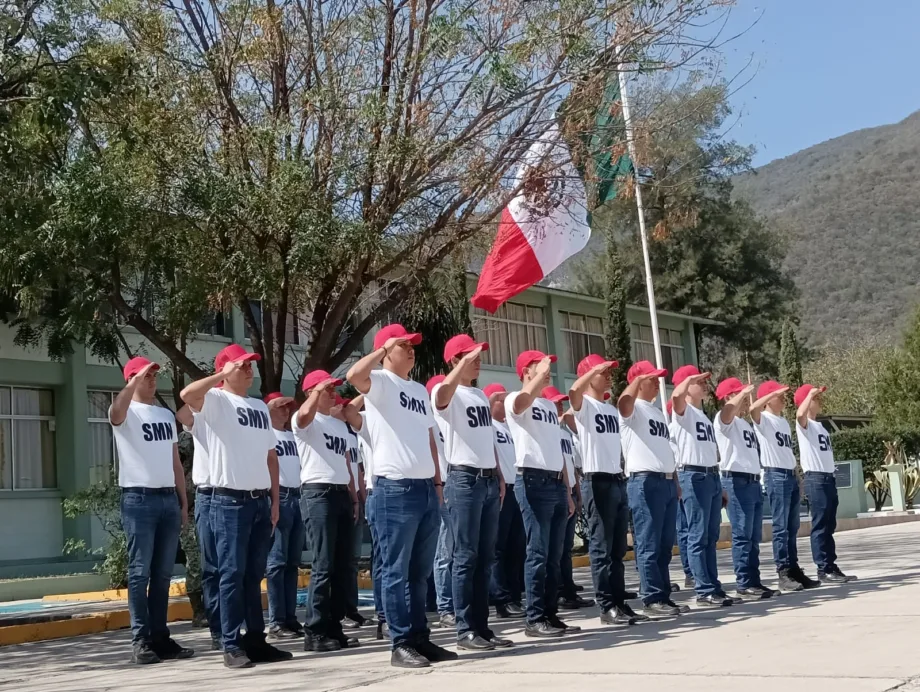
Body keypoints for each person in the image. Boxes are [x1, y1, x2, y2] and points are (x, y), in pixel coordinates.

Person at [346, 324, 455, 669]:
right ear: (386, 350)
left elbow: (427, 441)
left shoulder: (419, 391)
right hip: (394, 490)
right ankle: (400, 642)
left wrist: (437, 485)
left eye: (412, 345)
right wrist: (381, 351)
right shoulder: (379, 383)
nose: (411, 350)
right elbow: (353, 375)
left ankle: (421, 637)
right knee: (395, 571)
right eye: (403, 345)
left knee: (418, 574)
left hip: (424, 489)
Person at [179, 344, 291, 668]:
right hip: (227, 500)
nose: (248, 370)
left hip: (258, 501)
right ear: (227, 370)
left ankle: (256, 640)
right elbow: (187, 394)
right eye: (242, 366)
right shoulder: (214, 400)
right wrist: (219, 376)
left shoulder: (257, 406)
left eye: (250, 365)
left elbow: (271, 455)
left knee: (253, 575)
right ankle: (230, 643)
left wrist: (274, 498)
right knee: (230, 572)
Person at [110, 356, 194, 665]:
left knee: (161, 575)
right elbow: (116, 413)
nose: (152, 379)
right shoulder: (124, 411)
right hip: (139, 500)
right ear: (132, 379)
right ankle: (140, 639)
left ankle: (160, 636)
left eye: (155, 375)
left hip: (166, 500)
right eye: (147, 375)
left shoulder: (163, 414)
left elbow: (174, 460)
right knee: (139, 572)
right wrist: (133, 380)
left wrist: (182, 499)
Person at [433, 334, 511, 650]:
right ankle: (465, 629)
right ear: (454, 360)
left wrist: (500, 474)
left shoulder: (479, 394)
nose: (478, 360)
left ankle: (482, 626)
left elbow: (488, 438)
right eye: (470, 356)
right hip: (463, 481)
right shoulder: (445, 391)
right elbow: (440, 399)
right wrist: (459, 367)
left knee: (484, 557)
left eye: (479, 355)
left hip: (488, 480)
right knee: (464, 556)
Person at [568, 354, 645, 626]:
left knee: (617, 548)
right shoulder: (584, 405)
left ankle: (619, 600)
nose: (608, 375)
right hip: (596, 480)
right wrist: (591, 371)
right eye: (603, 372)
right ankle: (606, 605)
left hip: (616, 479)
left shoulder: (609, 409)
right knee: (601, 547)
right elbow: (574, 391)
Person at [505, 350, 578, 638]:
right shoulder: (516, 398)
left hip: (554, 483)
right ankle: (534, 617)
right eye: (540, 366)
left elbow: (556, 449)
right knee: (536, 552)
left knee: (555, 554)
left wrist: (567, 489)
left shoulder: (548, 406)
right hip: (531, 480)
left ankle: (550, 612)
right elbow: (523, 402)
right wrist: (537, 378)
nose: (547, 370)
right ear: (526, 371)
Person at [293, 370, 360, 652]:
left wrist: (354, 496)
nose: (332, 393)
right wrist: (315, 391)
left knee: (342, 565)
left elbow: (345, 462)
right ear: (311, 393)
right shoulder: (306, 420)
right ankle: (315, 631)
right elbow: (302, 417)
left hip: (340, 492)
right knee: (323, 565)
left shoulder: (336, 425)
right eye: (326, 389)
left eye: (333, 388)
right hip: (317, 493)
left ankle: (334, 626)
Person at [617, 360, 684, 617]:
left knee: (666, 543)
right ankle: (652, 597)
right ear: (638, 382)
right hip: (644, 481)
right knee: (649, 542)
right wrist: (634, 381)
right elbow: (623, 404)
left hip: (666, 481)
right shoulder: (633, 409)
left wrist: (675, 481)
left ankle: (663, 594)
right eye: (652, 378)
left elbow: (665, 449)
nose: (658, 382)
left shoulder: (657, 412)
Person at [670, 366, 735, 608]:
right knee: (697, 535)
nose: (705, 385)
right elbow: (676, 397)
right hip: (693, 475)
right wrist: (687, 380)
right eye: (700, 382)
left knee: (710, 535)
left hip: (710, 475)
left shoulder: (702, 415)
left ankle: (713, 585)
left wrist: (720, 484)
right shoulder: (683, 411)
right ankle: (703, 589)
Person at [750, 381, 820, 592]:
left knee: (792, 527)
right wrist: (767, 395)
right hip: (775, 474)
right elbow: (753, 409)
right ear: (768, 399)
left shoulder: (782, 422)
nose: (782, 398)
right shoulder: (763, 420)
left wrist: (797, 477)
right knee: (781, 527)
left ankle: (793, 567)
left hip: (789, 475)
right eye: (778, 395)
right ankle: (783, 571)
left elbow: (788, 452)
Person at [713, 377, 774, 600]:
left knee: (753, 535)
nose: (745, 398)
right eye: (738, 394)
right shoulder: (723, 420)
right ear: (730, 397)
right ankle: (744, 582)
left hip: (752, 480)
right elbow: (727, 413)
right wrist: (740, 394)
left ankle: (754, 580)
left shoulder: (744, 424)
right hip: (735, 480)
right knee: (742, 533)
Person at [795, 384, 856, 584]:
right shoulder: (804, 425)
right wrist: (809, 394)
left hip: (828, 478)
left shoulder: (820, 426)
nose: (819, 401)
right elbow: (799, 415)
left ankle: (831, 564)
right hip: (815, 478)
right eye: (816, 398)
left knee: (830, 523)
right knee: (820, 524)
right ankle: (823, 568)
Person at [176, 402, 221, 651]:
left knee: (212, 560)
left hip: (212, 502)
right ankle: (199, 610)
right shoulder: (186, 438)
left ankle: (215, 610)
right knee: (195, 560)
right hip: (190, 506)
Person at [262, 392, 306, 640]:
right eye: (280, 407)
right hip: (278, 498)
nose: (286, 411)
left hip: (298, 497)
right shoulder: (265, 435)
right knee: (277, 562)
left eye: (288, 407)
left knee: (291, 563)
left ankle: (290, 618)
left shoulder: (291, 436)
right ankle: (277, 621)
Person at [545, 386, 593, 611]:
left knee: (566, 547)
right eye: (555, 403)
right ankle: (560, 591)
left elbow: (571, 464)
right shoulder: (547, 432)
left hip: (571, 490)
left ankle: (568, 587)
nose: (560, 406)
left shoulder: (564, 433)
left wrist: (577, 491)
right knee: (556, 548)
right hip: (558, 490)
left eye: (561, 402)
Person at [485, 383, 526, 619]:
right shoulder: (487, 425)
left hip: (516, 487)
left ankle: (514, 596)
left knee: (516, 546)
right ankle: (500, 598)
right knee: (498, 547)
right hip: (500, 488)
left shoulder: (509, 427)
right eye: (501, 399)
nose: (505, 403)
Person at [336, 396, 369, 630]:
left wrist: (361, 496)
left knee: (352, 560)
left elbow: (357, 468)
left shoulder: (351, 434)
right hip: (343, 497)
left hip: (356, 498)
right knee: (339, 559)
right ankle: (340, 611)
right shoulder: (332, 431)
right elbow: (345, 468)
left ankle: (351, 608)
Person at [426, 374, 455, 630]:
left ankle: (456, 603)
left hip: (458, 487)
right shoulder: (429, 422)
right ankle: (445, 607)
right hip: (442, 488)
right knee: (444, 553)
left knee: (459, 551)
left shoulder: (453, 420)